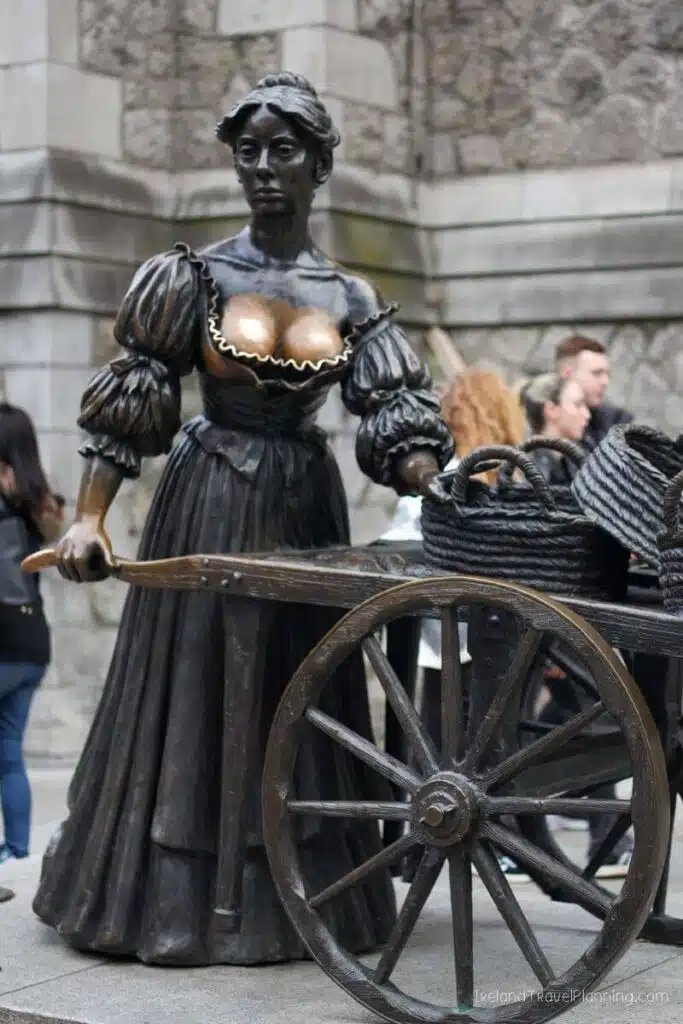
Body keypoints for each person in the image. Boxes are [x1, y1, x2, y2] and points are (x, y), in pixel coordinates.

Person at [32, 72, 454, 967]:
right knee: (191, 693)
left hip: (304, 500)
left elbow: (395, 422)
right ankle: (174, 903)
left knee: (297, 684)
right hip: (208, 496)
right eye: (248, 150)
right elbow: (132, 402)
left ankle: (300, 896)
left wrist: (437, 477)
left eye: (285, 149)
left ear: (321, 163)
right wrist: (91, 519)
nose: (264, 168)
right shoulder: (191, 274)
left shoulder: (350, 296)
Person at [381, 368, 527, 877]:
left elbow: (405, 535)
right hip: (499, 624)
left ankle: (427, 838)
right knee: (474, 726)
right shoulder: (511, 472)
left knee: (436, 727)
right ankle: (491, 828)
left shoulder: (452, 473)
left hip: (448, 621)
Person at [521, 374, 633, 877]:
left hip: (576, 612)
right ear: (549, 410)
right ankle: (603, 840)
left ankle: (602, 838)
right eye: (574, 405)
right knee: (593, 716)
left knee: (577, 718)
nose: (587, 411)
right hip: (557, 617)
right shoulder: (538, 469)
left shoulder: (570, 460)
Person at [0, 404, 63, 879]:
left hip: (4, 643)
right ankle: (17, 851)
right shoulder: (41, 507)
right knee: (9, 751)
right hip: (32, 645)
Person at [555, 335, 632, 452]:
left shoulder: (613, 421)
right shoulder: (541, 424)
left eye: (607, 374)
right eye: (597, 373)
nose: (605, 382)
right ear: (567, 373)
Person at [519, 372, 590, 482]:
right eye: (577, 405)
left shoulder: (577, 462)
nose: (587, 414)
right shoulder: (525, 470)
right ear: (551, 410)